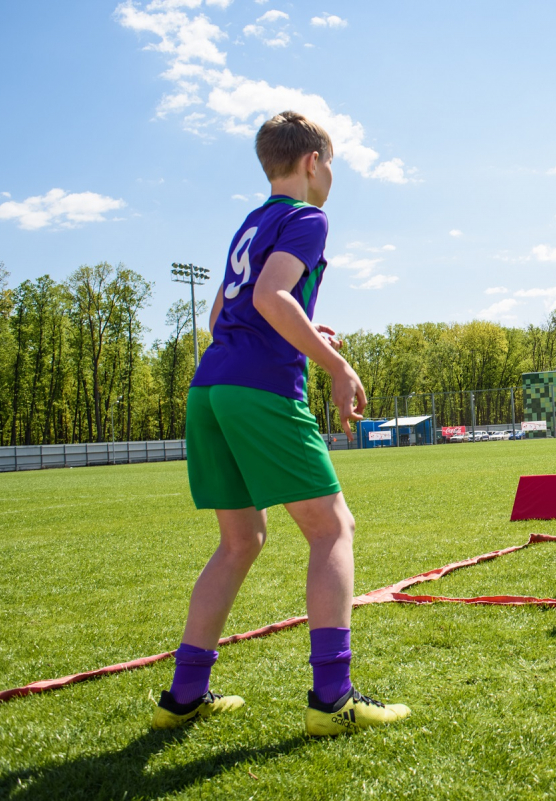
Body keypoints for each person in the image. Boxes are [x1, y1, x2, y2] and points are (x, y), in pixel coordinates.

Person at [153, 112, 410, 735]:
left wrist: (300, 330)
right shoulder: (308, 218)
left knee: (241, 541)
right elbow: (271, 299)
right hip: (259, 390)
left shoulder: (252, 222)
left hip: (210, 388)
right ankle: (334, 698)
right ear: (313, 161)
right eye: (334, 163)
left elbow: (224, 314)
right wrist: (337, 365)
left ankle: (184, 694)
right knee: (332, 530)